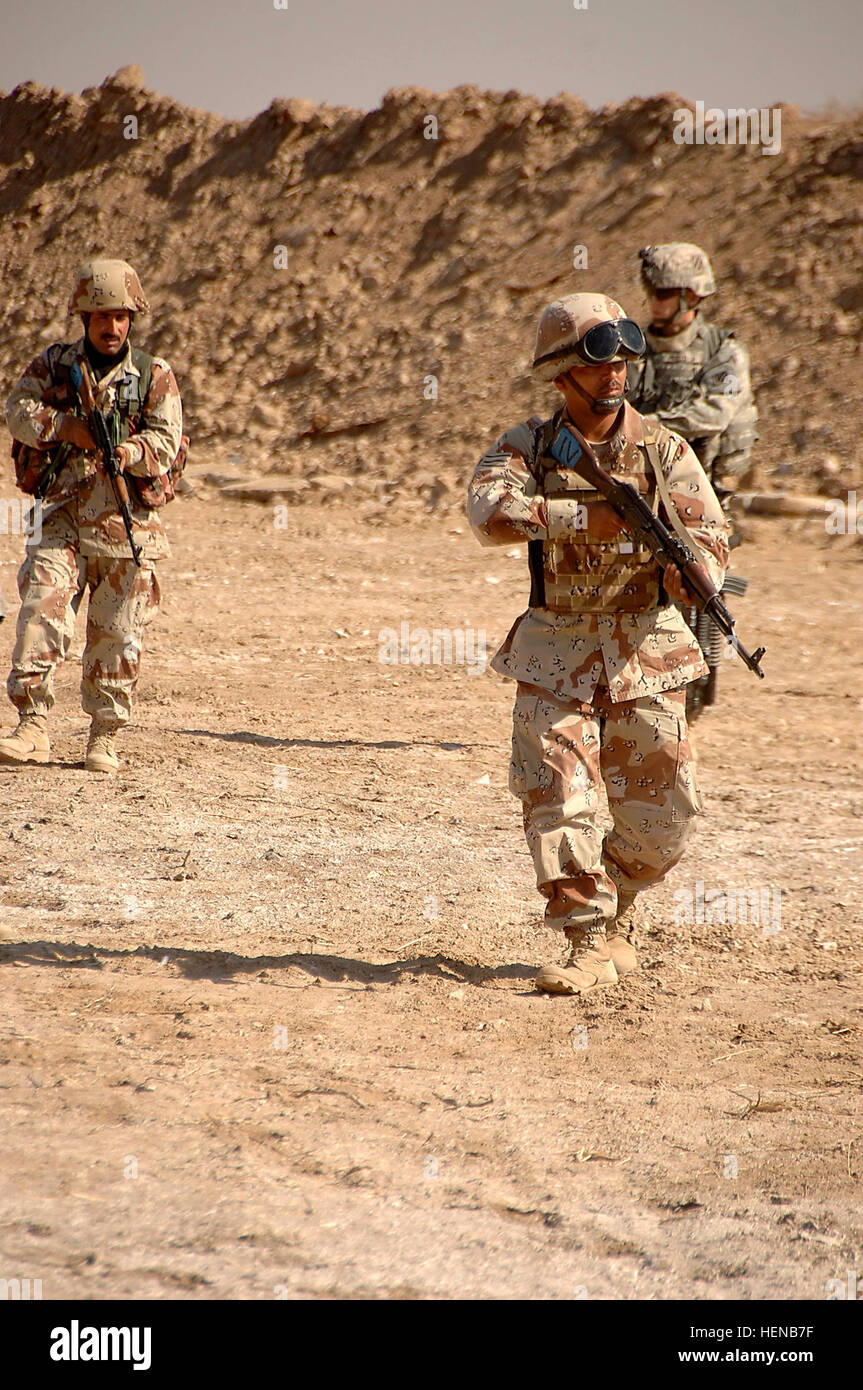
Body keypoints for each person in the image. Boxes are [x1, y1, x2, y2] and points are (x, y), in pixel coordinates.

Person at [467, 293, 729, 995]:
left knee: (664, 819)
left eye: (621, 358)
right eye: (596, 360)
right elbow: (486, 511)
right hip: (555, 651)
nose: (613, 372)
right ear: (561, 374)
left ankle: (618, 912)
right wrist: (577, 518)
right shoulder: (530, 445)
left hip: (647, 650)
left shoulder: (663, 448)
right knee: (556, 794)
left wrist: (692, 572)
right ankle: (585, 938)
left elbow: (710, 536)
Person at [1, 259, 183, 773]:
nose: (112, 327)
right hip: (62, 513)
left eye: (122, 316)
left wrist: (127, 453)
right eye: (102, 316)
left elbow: (167, 441)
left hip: (126, 524)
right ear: (84, 317)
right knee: (41, 605)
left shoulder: (153, 374)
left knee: (117, 633)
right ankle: (32, 725)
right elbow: (16, 410)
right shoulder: (56, 365)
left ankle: (104, 736)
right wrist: (65, 428)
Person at [629, 243, 758, 717]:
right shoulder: (635, 347)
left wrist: (648, 427)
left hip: (705, 490)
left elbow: (715, 412)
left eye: (663, 292)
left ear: (690, 296)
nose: (653, 301)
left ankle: (696, 694)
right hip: (645, 485)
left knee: (703, 587)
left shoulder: (723, 351)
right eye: (651, 291)